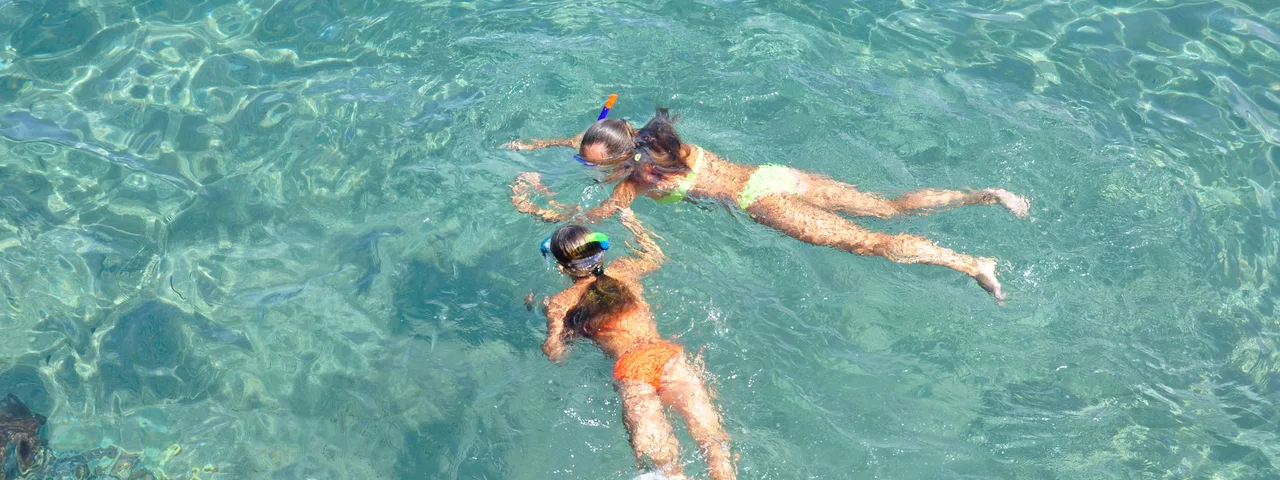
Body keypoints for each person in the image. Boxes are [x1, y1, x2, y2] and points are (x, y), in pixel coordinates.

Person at [507, 107, 1031, 302]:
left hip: (764, 202)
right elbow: (595, 139)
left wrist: (537, 207)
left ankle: (970, 264)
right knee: (889, 208)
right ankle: (987, 195)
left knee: (868, 243)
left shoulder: (638, 180)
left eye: (590, 162)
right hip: (770, 174)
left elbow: (590, 225)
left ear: (619, 159)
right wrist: (541, 145)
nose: (586, 163)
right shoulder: (652, 140)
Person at [537, 212, 735, 480]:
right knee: (712, 443)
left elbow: (555, 353)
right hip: (667, 356)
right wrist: (633, 222)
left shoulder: (562, 301)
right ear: (601, 252)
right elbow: (656, 255)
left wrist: (546, 311)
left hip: (633, 370)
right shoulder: (625, 269)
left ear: (562, 267)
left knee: (665, 464)